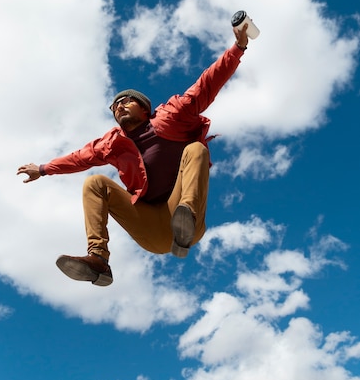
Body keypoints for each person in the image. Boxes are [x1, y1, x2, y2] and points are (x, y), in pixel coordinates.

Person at [17, 24, 249, 287]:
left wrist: (238, 48)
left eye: (126, 101)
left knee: (195, 149)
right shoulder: (112, 143)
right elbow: (79, 157)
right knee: (94, 183)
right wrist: (44, 168)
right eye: (115, 107)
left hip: (184, 217)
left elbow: (208, 83)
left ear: (144, 108)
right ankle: (99, 261)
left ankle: (186, 217)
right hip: (151, 229)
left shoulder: (174, 115)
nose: (119, 107)